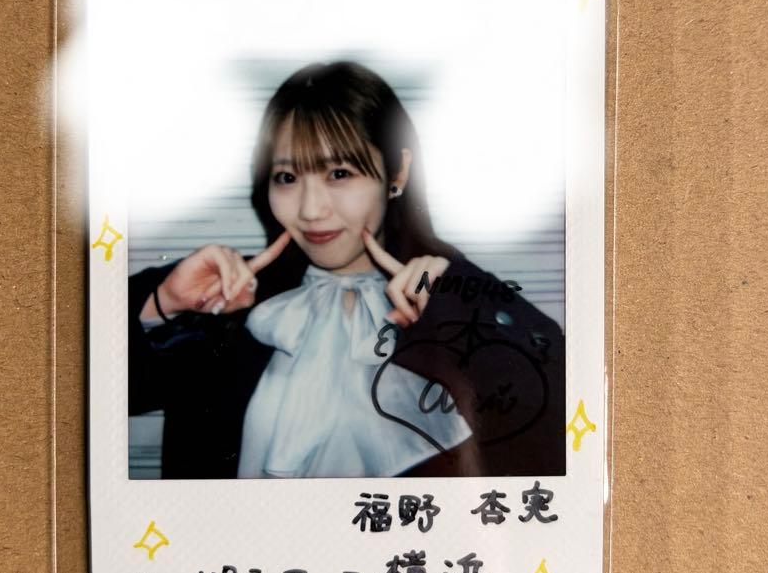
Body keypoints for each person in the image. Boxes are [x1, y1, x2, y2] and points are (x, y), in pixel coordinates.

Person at [128, 60, 565, 479]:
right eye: (287, 178)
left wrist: (454, 309)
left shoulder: (454, 296)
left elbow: (555, 422)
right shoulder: (230, 297)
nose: (310, 209)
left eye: (339, 173)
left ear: (398, 172)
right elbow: (106, 394)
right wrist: (163, 302)